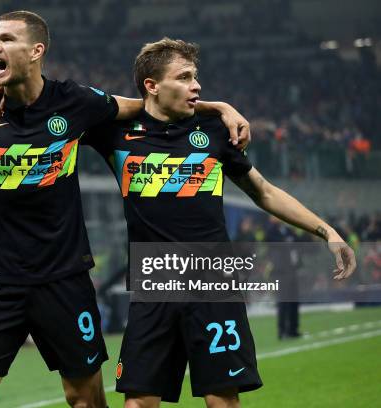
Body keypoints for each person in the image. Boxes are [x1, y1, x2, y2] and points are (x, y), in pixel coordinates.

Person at [0, 11, 250, 408]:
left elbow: (148, 104)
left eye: (6, 39)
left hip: (64, 280)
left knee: (85, 400)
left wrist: (217, 108)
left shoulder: (75, 101)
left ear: (37, 50)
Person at [83, 38, 356, 408]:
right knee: (138, 403)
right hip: (155, 283)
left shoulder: (213, 132)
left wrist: (327, 231)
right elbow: (56, 106)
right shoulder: (114, 133)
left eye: (196, 77)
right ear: (151, 85)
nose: (196, 86)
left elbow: (264, 192)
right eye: (184, 77)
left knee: (221, 401)